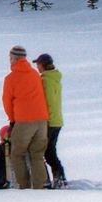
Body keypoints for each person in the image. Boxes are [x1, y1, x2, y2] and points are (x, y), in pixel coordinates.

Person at [2, 43, 50, 187]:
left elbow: (7, 102)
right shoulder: (35, 74)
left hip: (24, 120)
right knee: (37, 155)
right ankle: (39, 187)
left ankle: (24, 187)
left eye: (10, 57)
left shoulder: (11, 78)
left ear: (13, 59)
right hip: (42, 120)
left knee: (17, 154)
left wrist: (12, 120)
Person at [36, 51, 65, 185]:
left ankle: (57, 180)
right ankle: (59, 179)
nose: (37, 67)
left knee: (47, 153)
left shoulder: (45, 80)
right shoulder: (55, 78)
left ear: (43, 65)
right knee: (50, 151)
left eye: (38, 64)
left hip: (50, 121)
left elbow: (46, 101)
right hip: (57, 120)